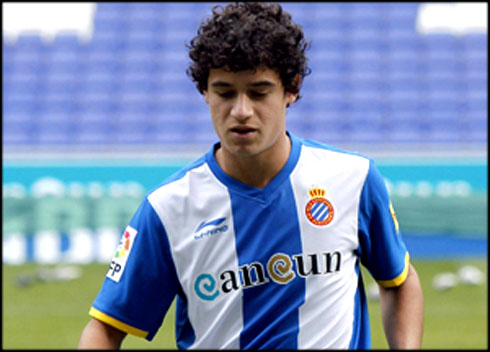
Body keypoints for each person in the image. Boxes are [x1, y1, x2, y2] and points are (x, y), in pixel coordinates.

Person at [78, 2, 423, 349]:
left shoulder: (353, 179)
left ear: (291, 89)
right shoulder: (168, 209)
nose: (241, 111)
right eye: (225, 93)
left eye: (259, 93)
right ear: (204, 92)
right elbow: (104, 330)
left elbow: (399, 280)